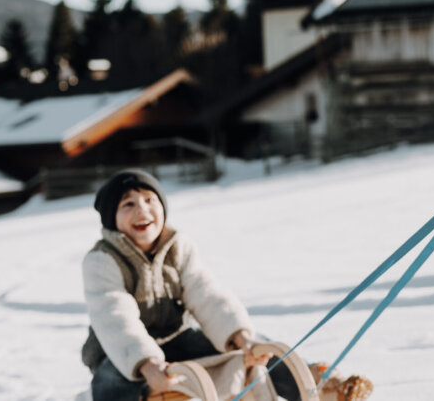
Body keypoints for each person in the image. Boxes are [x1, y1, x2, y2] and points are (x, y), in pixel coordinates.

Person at [81, 169, 373, 401]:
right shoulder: (102, 260)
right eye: (128, 204)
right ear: (111, 219)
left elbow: (205, 293)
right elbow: (114, 315)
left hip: (176, 338)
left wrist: (240, 338)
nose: (141, 210)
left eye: (149, 200)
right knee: (111, 380)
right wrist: (146, 363)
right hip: (122, 351)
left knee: (258, 348)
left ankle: (318, 386)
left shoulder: (177, 247)